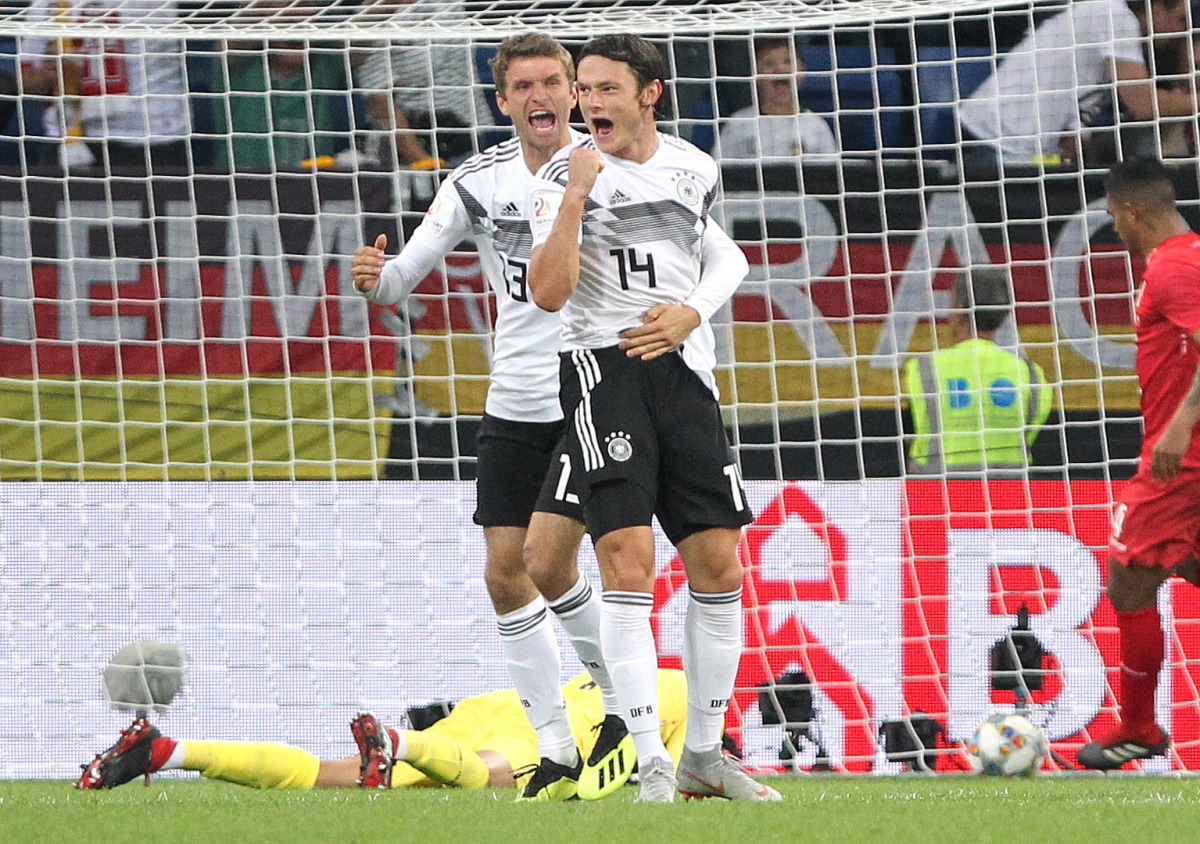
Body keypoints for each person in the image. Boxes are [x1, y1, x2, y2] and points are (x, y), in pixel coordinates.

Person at [351, 34, 632, 803]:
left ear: (574, 93)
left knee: (552, 564)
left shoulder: (613, 170)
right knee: (506, 578)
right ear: (501, 98)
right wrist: (374, 279)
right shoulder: (477, 180)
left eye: (553, 82)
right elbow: (400, 281)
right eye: (523, 86)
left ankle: (624, 709)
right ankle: (553, 749)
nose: (540, 97)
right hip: (513, 403)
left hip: (589, 393)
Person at [526, 33, 782, 804]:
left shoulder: (692, 168)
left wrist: (688, 312)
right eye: (585, 90)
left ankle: (704, 753)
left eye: (606, 89)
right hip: (603, 370)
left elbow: (725, 257)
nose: (590, 104)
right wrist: (574, 194)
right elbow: (547, 292)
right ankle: (651, 762)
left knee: (719, 567)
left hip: (685, 377)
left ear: (649, 94)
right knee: (628, 565)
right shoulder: (558, 176)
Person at [75, 669, 687, 793]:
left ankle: (168, 750)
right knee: (493, 782)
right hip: (545, 734)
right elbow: (672, 777)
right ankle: (397, 743)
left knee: (324, 774)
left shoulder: (612, 667)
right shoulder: (678, 688)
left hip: (490, 706)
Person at [1077, 157, 1200, 769]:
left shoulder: (1176, 265)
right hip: (1185, 458)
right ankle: (1139, 727)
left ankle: (1140, 728)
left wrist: (1179, 425)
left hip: (1183, 463)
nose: (1113, 228)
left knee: (1127, 575)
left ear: (1132, 211)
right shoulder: (1182, 258)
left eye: (1112, 216)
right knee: (1183, 566)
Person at [957, 0, 1193, 166]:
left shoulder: (1108, 30)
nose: (1182, 30)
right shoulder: (1113, 14)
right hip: (997, 141)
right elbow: (1144, 104)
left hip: (1021, 147)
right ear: (1157, 8)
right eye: (1181, 20)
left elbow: (1077, 119)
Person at [903, 267, 1052, 474]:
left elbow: (912, 428)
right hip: (1009, 499)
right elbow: (1028, 437)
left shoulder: (924, 369)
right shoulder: (1031, 375)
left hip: (937, 498)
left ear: (960, 309)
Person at [18, 0, 192, 172]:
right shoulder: (47, 4)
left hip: (153, 134)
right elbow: (27, 80)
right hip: (71, 138)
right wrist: (52, 73)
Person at [211, 1, 359, 171]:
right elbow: (234, 34)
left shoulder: (324, 64)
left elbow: (365, 33)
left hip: (311, 186)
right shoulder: (238, 64)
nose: (295, 30)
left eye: (304, 22)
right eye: (287, 21)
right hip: (243, 185)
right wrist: (272, 8)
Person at [354, 0, 494, 166]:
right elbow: (378, 100)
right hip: (412, 150)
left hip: (469, 135)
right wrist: (426, 163)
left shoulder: (449, 5)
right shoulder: (369, 18)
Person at [716, 35, 837, 160]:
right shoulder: (738, 125)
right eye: (769, 63)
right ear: (755, 74)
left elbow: (831, 176)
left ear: (802, 71)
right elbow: (718, 170)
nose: (779, 69)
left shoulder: (816, 127)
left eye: (787, 61)